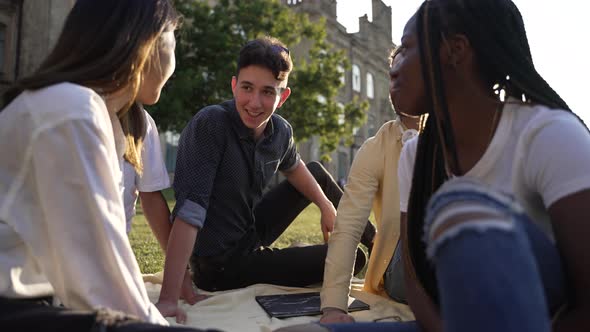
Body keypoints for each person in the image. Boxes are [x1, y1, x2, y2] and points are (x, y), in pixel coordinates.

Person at [276, 0, 590, 331]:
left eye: (407, 49)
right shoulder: (417, 155)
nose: (393, 68)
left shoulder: (548, 134)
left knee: (460, 208)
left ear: (455, 50)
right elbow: (416, 284)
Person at [0, 0, 216, 330]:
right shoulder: (72, 109)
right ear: (148, 42)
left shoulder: (97, 113)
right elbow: (99, 271)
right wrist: (150, 322)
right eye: (174, 37)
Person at [156, 36, 376, 320]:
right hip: (221, 266)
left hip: (250, 230)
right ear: (234, 85)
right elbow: (190, 211)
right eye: (247, 88)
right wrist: (169, 296)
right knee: (351, 258)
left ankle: (378, 242)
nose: (255, 103)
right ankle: (301, 254)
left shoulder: (280, 132)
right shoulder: (211, 124)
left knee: (317, 172)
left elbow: (296, 168)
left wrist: (325, 206)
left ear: (283, 97)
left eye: (268, 92)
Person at [319, 48, 421, 324]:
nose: (396, 84)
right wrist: (334, 305)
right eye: (392, 76)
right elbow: (349, 226)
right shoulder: (376, 147)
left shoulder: (457, 133)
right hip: (401, 268)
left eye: (407, 73)